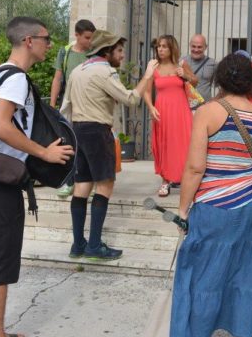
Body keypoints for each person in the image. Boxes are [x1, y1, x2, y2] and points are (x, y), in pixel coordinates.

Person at [0, 17, 74, 337]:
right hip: (0, 181)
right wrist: (44, 152)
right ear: (29, 40)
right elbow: (0, 125)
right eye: (46, 38)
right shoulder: (15, 78)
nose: (50, 44)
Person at [171, 53, 252, 337]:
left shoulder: (207, 112)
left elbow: (195, 167)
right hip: (248, 208)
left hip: (212, 207)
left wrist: (182, 210)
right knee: (245, 277)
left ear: (219, 79)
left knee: (201, 277)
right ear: (249, 82)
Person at [61, 30, 156, 260]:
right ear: (107, 52)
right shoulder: (104, 71)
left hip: (77, 130)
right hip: (97, 131)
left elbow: (66, 106)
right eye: (119, 50)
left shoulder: (77, 70)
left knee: (82, 186)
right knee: (104, 185)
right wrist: (147, 75)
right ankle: (94, 246)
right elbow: (130, 99)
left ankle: (78, 245)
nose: (122, 55)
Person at [143, 35, 197, 197]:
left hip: (181, 111)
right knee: (164, 144)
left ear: (171, 48)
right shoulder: (153, 66)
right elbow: (146, 91)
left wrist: (185, 75)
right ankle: (165, 181)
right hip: (162, 111)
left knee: (185, 144)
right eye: (159, 46)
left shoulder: (181, 64)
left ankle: (186, 179)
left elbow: (195, 82)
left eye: (164, 46)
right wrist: (151, 107)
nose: (160, 49)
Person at [50, 19, 96, 198]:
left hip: (90, 105)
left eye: (92, 38)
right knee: (69, 143)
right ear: (77, 35)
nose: (90, 41)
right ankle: (69, 183)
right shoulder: (65, 52)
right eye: (87, 38)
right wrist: (52, 105)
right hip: (69, 104)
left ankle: (89, 184)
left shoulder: (94, 53)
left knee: (88, 144)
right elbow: (57, 78)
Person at [183, 34, 215, 102]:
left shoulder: (213, 64)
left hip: (205, 105)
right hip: (185, 104)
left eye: (199, 47)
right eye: (193, 46)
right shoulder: (181, 62)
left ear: (205, 47)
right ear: (189, 45)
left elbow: (221, 84)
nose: (196, 50)